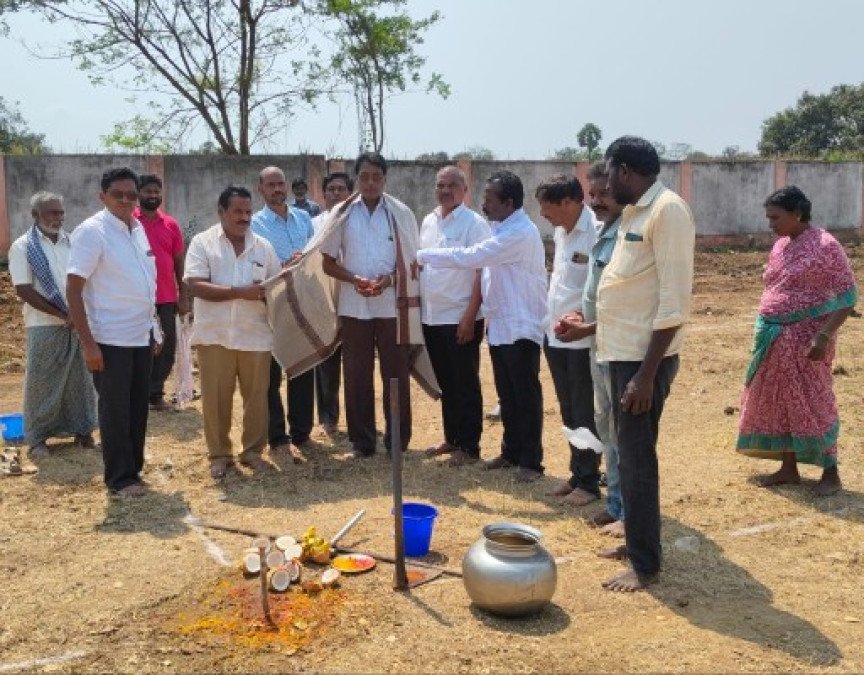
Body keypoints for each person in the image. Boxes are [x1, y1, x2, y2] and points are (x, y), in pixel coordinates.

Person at [594, 136, 695, 591]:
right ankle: (636, 539)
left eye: (609, 171)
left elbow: (674, 301)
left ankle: (645, 564)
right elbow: (628, 287)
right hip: (621, 355)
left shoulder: (667, 211)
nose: (605, 181)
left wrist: (646, 374)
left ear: (624, 170)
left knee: (636, 460)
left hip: (642, 362)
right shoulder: (635, 211)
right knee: (627, 453)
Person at [417, 171, 547, 482]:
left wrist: (421, 255)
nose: (484, 204)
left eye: (490, 199)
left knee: (524, 395)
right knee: (507, 394)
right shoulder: (498, 227)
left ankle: (530, 462)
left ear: (509, 202)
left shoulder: (519, 233)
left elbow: (472, 257)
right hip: (500, 324)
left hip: (520, 324)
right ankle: (510, 452)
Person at [737, 186, 856, 496]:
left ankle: (831, 473)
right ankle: (788, 469)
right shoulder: (780, 245)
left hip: (807, 343)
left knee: (812, 402)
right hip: (773, 338)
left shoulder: (826, 246)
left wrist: (823, 335)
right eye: (768, 218)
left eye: (775, 217)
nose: (770, 224)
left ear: (797, 213)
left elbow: (847, 297)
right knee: (780, 401)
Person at [67, 167, 162, 497]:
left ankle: (133, 470)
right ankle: (119, 479)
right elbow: (74, 290)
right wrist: (89, 344)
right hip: (109, 339)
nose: (125, 200)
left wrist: (155, 328)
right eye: (118, 194)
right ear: (102, 196)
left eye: (131, 195)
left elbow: (146, 283)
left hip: (140, 335)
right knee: (115, 410)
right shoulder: (92, 232)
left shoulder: (137, 229)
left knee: (137, 408)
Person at [319, 152, 421, 458]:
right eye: (364, 177)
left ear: (385, 179)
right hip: (354, 306)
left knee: (396, 374)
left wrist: (388, 281)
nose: (371, 183)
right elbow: (327, 262)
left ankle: (397, 442)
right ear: (356, 179)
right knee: (356, 375)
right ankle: (362, 443)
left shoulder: (401, 214)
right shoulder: (342, 213)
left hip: (393, 306)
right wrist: (355, 280)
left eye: (377, 177)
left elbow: (414, 262)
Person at [185, 186, 282, 479]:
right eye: (237, 211)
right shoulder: (203, 243)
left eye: (248, 212)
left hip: (255, 334)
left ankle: (252, 451)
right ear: (222, 212)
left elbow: (275, 286)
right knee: (215, 399)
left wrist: (276, 286)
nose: (244, 218)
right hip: (214, 335)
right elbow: (195, 284)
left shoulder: (263, 247)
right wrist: (242, 292)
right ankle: (219, 454)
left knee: (257, 397)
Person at [558, 161, 625, 537]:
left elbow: (629, 302)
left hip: (621, 346)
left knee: (622, 431)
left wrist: (588, 324)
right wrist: (579, 313)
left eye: (605, 194)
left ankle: (627, 512)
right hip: (599, 344)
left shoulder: (629, 234)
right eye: (594, 194)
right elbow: (598, 291)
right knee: (607, 427)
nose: (597, 201)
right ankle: (615, 504)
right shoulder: (605, 232)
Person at [9, 191, 97, 457]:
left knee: (80, 381)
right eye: (51, 213)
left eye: (60, 212)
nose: (58, 218)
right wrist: (62, 314)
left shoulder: (73, 243)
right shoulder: (23, 246)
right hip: (44, 325)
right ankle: (36, 440)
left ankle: (83, 432)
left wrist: (78, 315)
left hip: (78, 323)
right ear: (36, 216)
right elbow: (23, 289)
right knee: (42, 381)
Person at [419, 166, 490, 466]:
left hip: (460, 316)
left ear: (464, 190)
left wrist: (469, 315)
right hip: (432, 316)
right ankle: (452, 438)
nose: (445, 190)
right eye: (440, 185)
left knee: (465, 382)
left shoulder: (474, 224)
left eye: (451, 185)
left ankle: (470, 447)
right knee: (445, 382)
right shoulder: (428, 221)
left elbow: (481, 271)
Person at [536, 174, 601, 503]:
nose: (545, 216)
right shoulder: (562, 232)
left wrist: (579, 315)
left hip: (580, 338)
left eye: (549, 209)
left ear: (570, 202)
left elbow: (597, 287)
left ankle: (590, 482)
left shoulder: (596, 232)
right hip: (556, 335)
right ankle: (578, 473)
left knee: (584, 409)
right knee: (568, 410)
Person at [251, 166, 315, 462]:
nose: (277, 189)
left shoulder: (303, 218)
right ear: (261, 189)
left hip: (303, 301)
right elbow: (261, 262)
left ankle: (302, 432)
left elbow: (316, 250)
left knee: (303, 366)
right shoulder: (255, 224)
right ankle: (277, 436)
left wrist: (306, 259)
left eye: (280, 183)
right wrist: (288, 263)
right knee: (271, 373)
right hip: (273, 304)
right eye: (270, 185)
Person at [133, 173, 189, 412]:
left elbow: (179, 261)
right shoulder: (130, 222)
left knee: (165, 348)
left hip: (166, 298)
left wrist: (183, 295)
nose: (152, 195)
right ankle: (137, 395)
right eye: (147, 191)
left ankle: (155, 395)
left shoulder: (171, 224)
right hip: (137, 299)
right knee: (140, 348)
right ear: (138, 194)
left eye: (156, 191)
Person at [310, 172, 353, 435]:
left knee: (355, 364)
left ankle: (359, 418)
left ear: (350, 193)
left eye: (341, 189)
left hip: (353, 300)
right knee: (325, 363)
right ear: (323, 194)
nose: (336, 194)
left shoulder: (358, 223)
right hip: (323, 302)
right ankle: (328, 419)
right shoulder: (312, 225)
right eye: (331, 189)